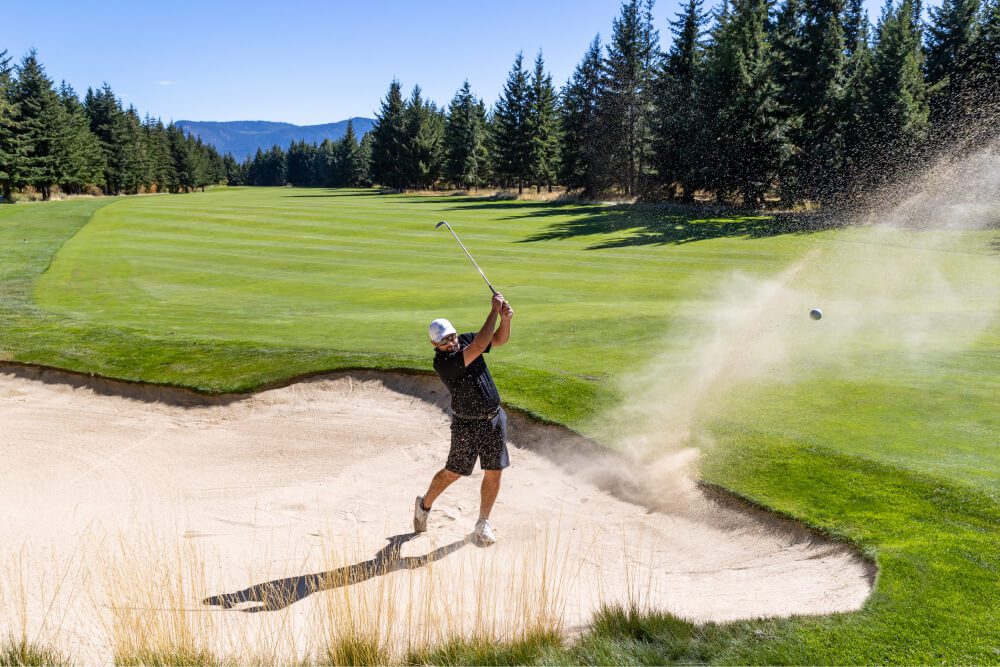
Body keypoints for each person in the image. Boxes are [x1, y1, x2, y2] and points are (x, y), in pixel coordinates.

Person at [415, 292, 514, 545]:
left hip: (492, 419)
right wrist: (492, 311)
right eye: (444, 341)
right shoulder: (444, 363)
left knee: (494, 471)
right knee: (454, 472)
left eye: (452, 336)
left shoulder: (467, 340)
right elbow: (479, 346)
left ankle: (483, 523)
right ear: (435, 346)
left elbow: (499, 339)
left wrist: (505, 318)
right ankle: (424, 505)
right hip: (467, 424)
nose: (451, 342)